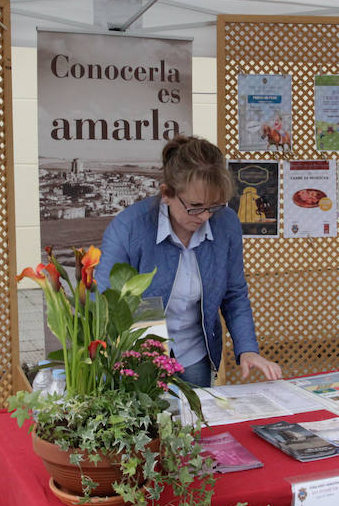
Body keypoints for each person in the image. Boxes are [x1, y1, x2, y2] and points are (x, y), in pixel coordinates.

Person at [95, 135, 282, 387]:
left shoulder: (226, 224)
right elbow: (105, 303)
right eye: (195, 206)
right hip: (137, 358)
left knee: (196, 423)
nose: (205, 216)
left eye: (214, 206)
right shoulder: (129, 228)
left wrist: (247, 349)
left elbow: (234, 294)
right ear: (167, 194)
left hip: (194, 354)